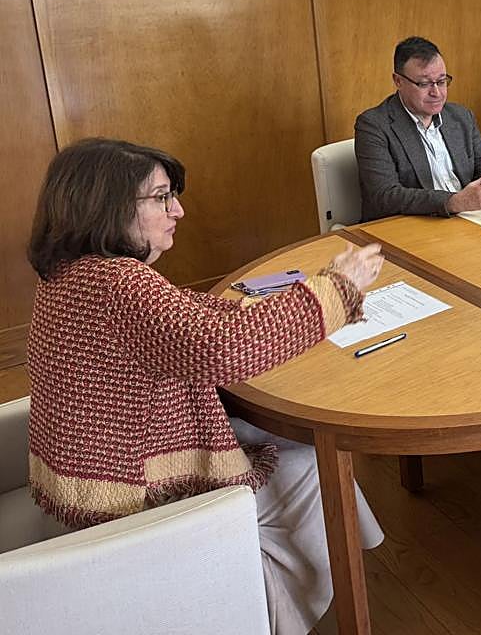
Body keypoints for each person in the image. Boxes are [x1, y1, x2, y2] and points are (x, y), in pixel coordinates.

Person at [24, 138, 386, 634]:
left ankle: (333, 563)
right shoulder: (119, 284)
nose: (178, 210)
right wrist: (338, 288)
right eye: (161, 198)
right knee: (308, 461)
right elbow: (225, 350)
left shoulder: (69, 273)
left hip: (84, 478)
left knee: (279, 440)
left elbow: (181, 318)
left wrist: (280, 302)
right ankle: (282, 608)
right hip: (128, 499)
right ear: (107, 206)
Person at [355, 35, 481, 221]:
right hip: (413, 225)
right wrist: (454, 202)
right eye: (424, 84)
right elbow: (385, 196)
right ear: (398, 81)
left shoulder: (461, 117)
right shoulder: (373, 125)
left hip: (467, 220)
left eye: (441, 81)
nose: (436, 93)